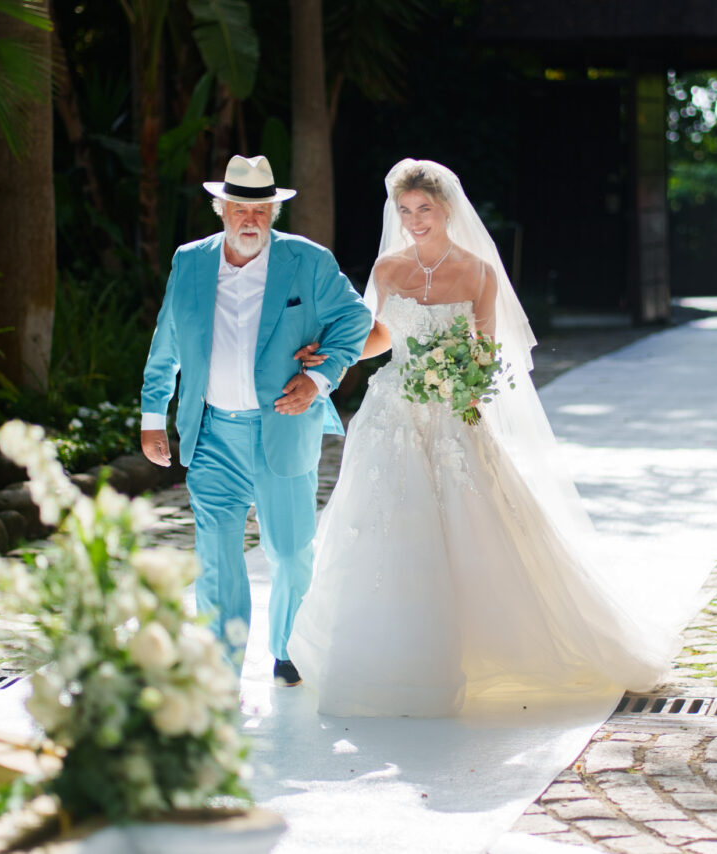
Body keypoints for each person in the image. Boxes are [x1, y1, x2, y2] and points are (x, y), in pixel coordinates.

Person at [287, 159, 682, 716]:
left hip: (452, 412)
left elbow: (488, 351)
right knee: (386, 522)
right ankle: (386, 656)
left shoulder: (478, 272)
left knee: (470, 522)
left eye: (424, 209)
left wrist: (461, 380)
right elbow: (378, 336)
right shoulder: (388, 270)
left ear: (447, 208)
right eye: (405, 211)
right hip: (394, 410)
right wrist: (331, 353)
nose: (415, 220)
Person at [139, 154, 372, 687]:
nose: (251, 220)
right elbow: (167, 341)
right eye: (240, 208)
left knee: (289, 553)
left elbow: (356, 318)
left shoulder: (307, 263)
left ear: (273, 211)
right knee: (217, 551)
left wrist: (321, 377)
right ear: (220, 208)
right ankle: (219, 662)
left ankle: (288, 647)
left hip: (284, 427)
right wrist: (155, 415)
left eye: (261, 209)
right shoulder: (190, 262)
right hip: (213, 431)